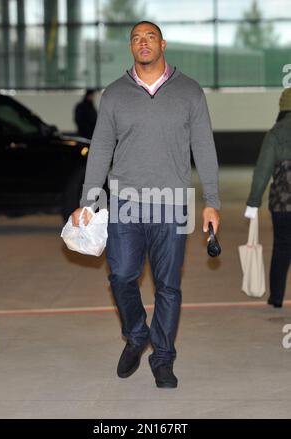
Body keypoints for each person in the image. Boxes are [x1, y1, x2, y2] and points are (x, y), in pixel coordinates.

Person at [71, 21, 220, 388]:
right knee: (122, 275)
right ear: (131, 48)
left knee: (168, 285)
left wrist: (212, 202)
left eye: (150, 37)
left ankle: (163, 358)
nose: (143, 43)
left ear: (163, 43)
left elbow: (204, 147)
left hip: (173, 204)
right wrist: (88, 201)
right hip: (125, 203)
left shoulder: (189, 92)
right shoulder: (115, 94)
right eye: (136, 38)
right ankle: (137, 334)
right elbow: (101, 148)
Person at [245, 87, 291, 308]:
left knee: (282, 248)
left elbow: (262, 171)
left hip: (282, 204)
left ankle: (276, 298)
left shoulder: (275, 133)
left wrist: (253, 202)